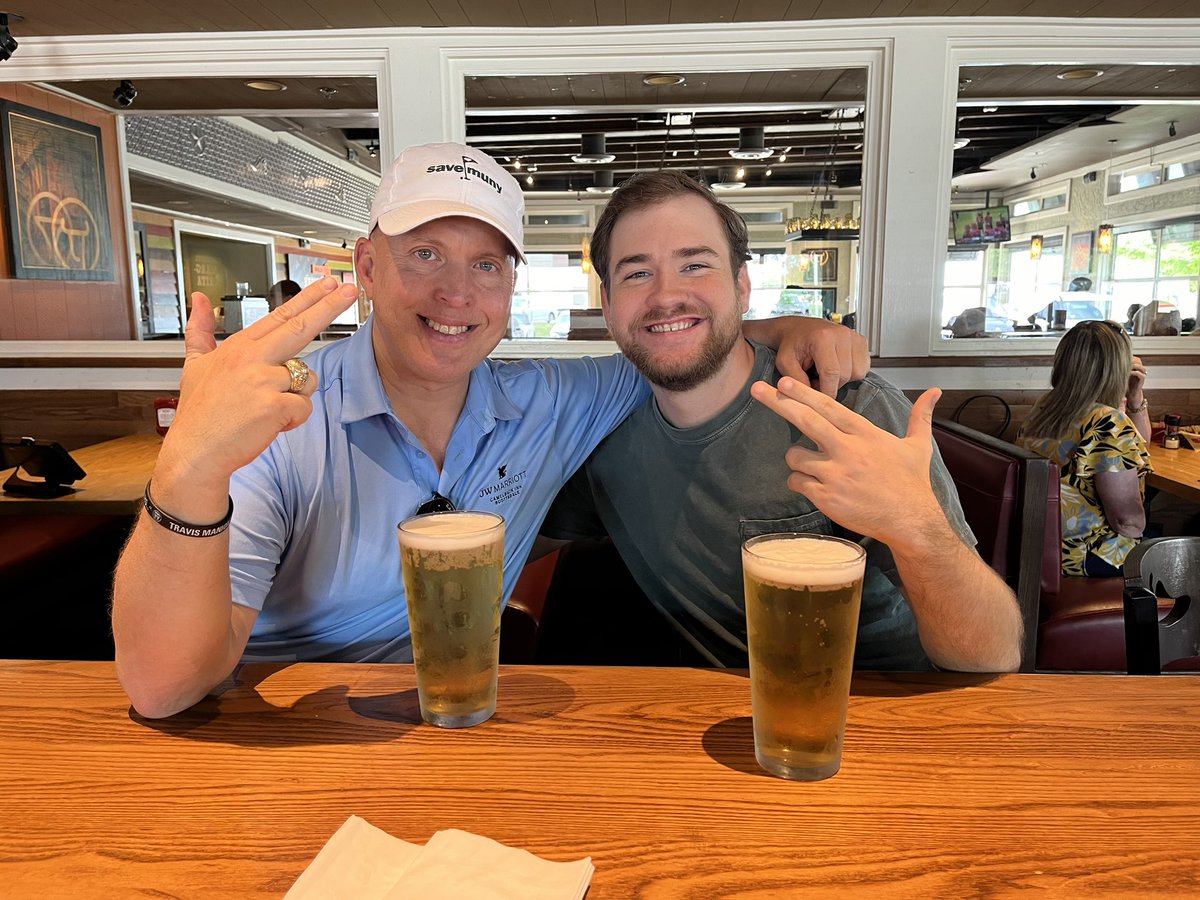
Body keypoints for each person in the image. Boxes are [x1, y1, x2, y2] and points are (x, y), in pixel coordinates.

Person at [111, 143, 868, 719]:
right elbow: (165, 686)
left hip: (463, 723)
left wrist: (790, 325)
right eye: (425, 254)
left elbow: (670, 334)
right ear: (368, 266)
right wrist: (188, 469)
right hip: (277, 738)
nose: (455, 292)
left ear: (511, 286)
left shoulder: (549, 399)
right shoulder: (282, 416)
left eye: (487, 265)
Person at [539, 171, 1022, 673]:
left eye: (696, 265)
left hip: (887, 707)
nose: (666, 295)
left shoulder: (846, 407)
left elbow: (993, 652)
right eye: (637, 274)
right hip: (718, 712)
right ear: (609, 306)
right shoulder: (604, 422)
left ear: (741, 286)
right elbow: (530, 534)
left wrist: (913, 526)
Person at [1017, 320, 1152, 577]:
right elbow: (1128, 523)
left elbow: (1137, 446)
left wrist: (1135, 396)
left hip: (1041, 546)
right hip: (1083, 556)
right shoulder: (1108, 421)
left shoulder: (1046, 406)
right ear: (1117, 369)